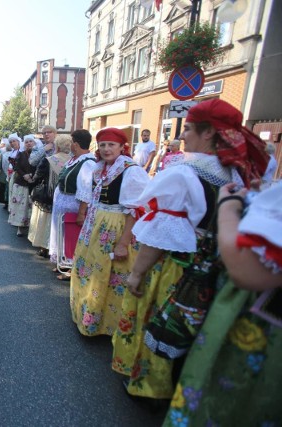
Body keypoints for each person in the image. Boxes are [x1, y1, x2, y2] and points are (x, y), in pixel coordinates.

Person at [114, 98, 269, 401]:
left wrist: (136, 273)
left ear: (209, 133)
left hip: (179, 265)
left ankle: (150, 387)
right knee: (197, 328)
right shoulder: (236, 175)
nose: (182, 135)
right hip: (218, 265)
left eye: (189, 129)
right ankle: (186, 388)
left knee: (162, 320)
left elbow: (160, 235)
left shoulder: (184, 174)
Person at [162, 181, 281, 426]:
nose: (182, 138)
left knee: (230, 401)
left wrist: (227, 209)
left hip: (259, 330)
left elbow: (247, 270)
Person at [69, 128, 149, 336]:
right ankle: (88, 315)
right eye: (102, 144)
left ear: (122, 147)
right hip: (96, 225)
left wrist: (123, 243)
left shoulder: (131, 171)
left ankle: (109, 325)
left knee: (112, 275)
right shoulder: (99, 168)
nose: (106, 149)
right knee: (92, 270)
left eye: (111, 145)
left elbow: (135, 211)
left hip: (116, 228)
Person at [49, 130, 96, 280]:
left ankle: (73, 269)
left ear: (75, 144)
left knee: (73, 237)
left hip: (73, 205)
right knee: (63, 235)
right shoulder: (74, 159)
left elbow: (86, 189)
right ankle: (64, 262)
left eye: (71, 142)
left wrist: (82, 213)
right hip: (64, 203)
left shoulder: (87, 162)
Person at [28, 134, 72, 258]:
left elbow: (37, 176)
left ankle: (44, 247)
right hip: (65, 197)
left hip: (48, 195)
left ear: (57, 146)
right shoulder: (72, 161)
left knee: (45, 220)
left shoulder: (49, 159)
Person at [8, 134, 35, 237]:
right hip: (21, 183)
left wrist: (32, 175)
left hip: (33, 183)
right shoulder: (21, 154)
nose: (28, 143)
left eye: (30, 141)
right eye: (27, 142)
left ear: (34, 143)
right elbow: (17, 166)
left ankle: (30, 228)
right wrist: (24, 175)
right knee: (19, 206)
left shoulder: (39, 154)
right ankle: (19, 227)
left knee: (30, 206)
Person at [0, 139, 12, 209]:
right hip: (12, 175)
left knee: (4, 189)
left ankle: (5, 202)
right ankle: (10, 202)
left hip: (3, 174)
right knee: (9, 189)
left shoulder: (4, 155)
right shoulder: (15, 154)